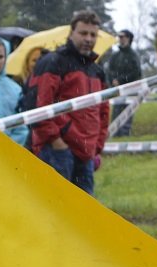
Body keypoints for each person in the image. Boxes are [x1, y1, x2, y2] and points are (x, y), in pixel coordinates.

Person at [28, 11, 109, 196]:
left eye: (93, 34)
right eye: (83, 33)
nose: (88, 39)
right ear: (71, 33)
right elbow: (38, 106)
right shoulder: (53, 62)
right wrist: (56, 141)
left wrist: (97, 145)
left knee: (84, 211)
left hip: (86, 153)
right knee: (55, 206)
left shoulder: (97, 71)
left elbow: (103, 111)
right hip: (58, 150)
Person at [101, 29, 142, 137]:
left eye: (123, 37)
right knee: (116, 111)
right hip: (117, 89)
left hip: (130, 89)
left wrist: (121, 80)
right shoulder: (115, 55)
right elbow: (109, 70)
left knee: (127, 112)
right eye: (119, 37)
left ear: (129, 38)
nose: (120, 39)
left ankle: (125, 134)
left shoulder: (133, 55)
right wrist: (112, 81)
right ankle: (115, 134)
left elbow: (136, 73)